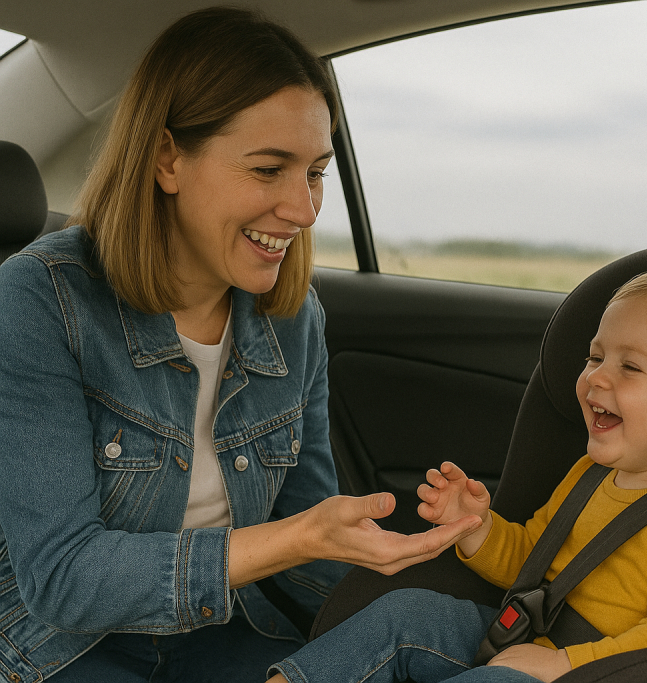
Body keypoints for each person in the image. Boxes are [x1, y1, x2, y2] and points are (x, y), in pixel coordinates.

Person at [0, 7, 481, 682]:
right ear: (168, 158)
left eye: (314, 171)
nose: (304, 208)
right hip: (63, 646)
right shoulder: (40, 298)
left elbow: (312, 543)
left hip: (224, 626)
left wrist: (435, 557)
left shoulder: (294, 318)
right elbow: (63, 577)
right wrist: (297, 538)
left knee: (447, 629)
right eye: (268, 169)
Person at [266, 267, 647, 683]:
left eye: (631, 368)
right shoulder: (590, 475)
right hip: (529, 637)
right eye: (596, 357)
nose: (596, 376)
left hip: (589, 672)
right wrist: (479, 529)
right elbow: (530, 563)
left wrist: (564, 666)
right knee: (405, 614)